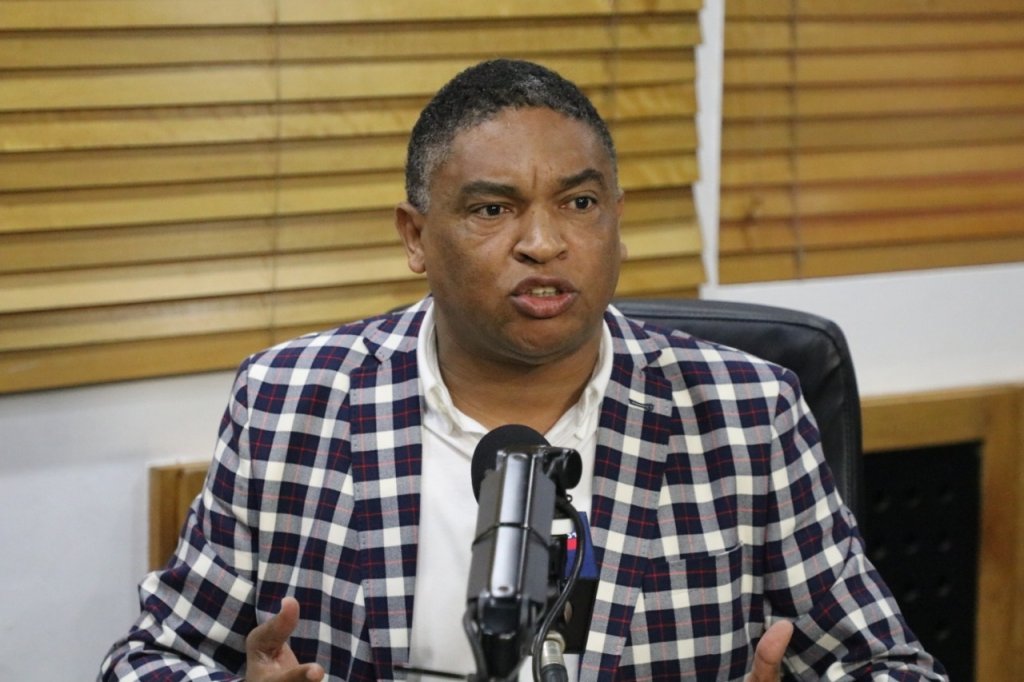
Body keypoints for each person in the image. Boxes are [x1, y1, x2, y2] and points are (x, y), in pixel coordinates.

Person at [99, 59, 946, 682]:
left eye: (579, 204)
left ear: (616, 223)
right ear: (414, 236)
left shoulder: (744, 413)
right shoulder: (293, 403)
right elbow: (149, 658)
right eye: (493, 208)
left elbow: (893, 665)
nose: (544, 243)